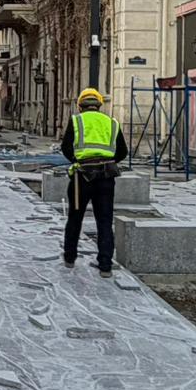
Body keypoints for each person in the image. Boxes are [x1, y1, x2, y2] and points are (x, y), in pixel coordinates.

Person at [61, 88, 127, 278]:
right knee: (104, 220)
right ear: (99, 105)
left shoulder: (76, 120)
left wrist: (78, 160)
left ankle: (70, 257)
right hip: (106, 177)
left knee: (75, 217)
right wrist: (106, 161)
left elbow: (66, 147)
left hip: (81, 177)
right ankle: (105, 265)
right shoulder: (112, 122)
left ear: (80, 106)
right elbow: (122, 151)